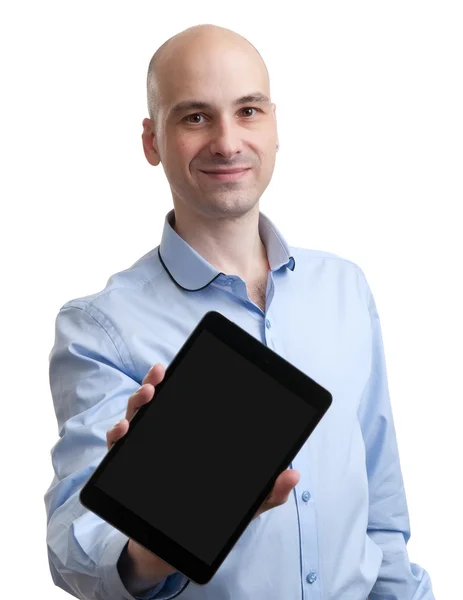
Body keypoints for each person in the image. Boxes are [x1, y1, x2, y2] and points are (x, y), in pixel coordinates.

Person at [44, 23, 435, 600]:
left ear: (275, 127)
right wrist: (168, 528)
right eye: (195, 117)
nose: (227, 142)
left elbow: (381, 517)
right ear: (152, 142)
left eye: (248, 110)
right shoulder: (101, 330)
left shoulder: (344, 289)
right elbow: (75, 553)